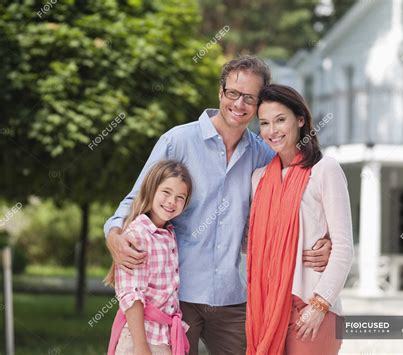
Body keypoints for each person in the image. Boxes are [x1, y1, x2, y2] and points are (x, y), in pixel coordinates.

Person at [104, 56, 333, 355]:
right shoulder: (178, 141)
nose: (239, 104)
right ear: (220, 92)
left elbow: (298, 199)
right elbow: (137, 198)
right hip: (177, 296)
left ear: (258, 104)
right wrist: (113, 235)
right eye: (233, 93)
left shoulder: (264, 154)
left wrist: (323, 239)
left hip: (233, 298)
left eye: (249, 98)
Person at [246, 84, 354, 355]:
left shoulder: (324, 170)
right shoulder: (259, 179)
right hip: (269, 309)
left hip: (312, 308)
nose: (273, 130)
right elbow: (254, 244)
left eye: (281, 120)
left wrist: (319, 306)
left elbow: (344, 248)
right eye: (265, 123)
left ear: (301, 120)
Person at [106, 160, 192, 355]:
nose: (172, 201)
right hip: (141, 340)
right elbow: (131, 295)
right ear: (151, 190)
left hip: (163, 338)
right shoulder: (137, 235)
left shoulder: (168, 233)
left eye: (180, 197)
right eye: (166, 192)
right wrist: (141, 347)